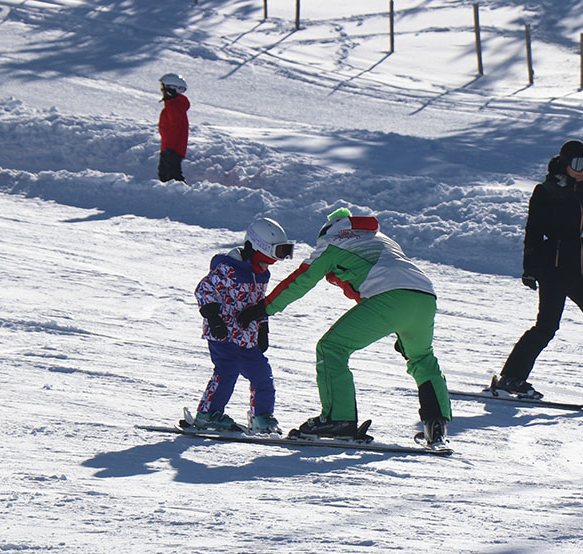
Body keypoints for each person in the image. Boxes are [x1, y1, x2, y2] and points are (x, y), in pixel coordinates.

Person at [237, 208, 452, 446]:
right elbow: (380, 280)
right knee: (422, 359)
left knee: (332, 347)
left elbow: (301, 280)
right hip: (425, 297)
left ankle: (338, 419)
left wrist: (263, 309)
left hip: (391, 297)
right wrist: (402, 332)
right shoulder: (380, 239)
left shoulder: (334, 242)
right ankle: (436, 426)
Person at [490, 140, 583, 406]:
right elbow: (533, 233)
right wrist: (530, 267)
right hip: (554, 270)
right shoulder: (546, 191)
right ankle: (511, 378)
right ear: (564, 163)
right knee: (546, 326)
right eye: (577, 164)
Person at [184, 218, 294, 433]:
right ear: (256, 248)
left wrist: (263, 328)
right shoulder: (228, 269)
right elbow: (204, 290)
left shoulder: (262, 274)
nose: (269, 266)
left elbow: (258, 303)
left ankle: (261, 417)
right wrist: (213, 318)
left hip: (247, 336)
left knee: (262, 373)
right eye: (267, 260)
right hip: (222, 333)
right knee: (227, 369)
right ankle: (207, 415)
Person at [157, 73, 189, 183]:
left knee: (170, 176)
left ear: (171, 89)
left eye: (163, 87)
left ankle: (183, 196)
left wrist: (169, 149)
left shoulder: (174, 107)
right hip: (170, 148)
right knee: (167, 175)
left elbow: (175, 128)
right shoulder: (173, 106)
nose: (162, 90)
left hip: (172, 149)